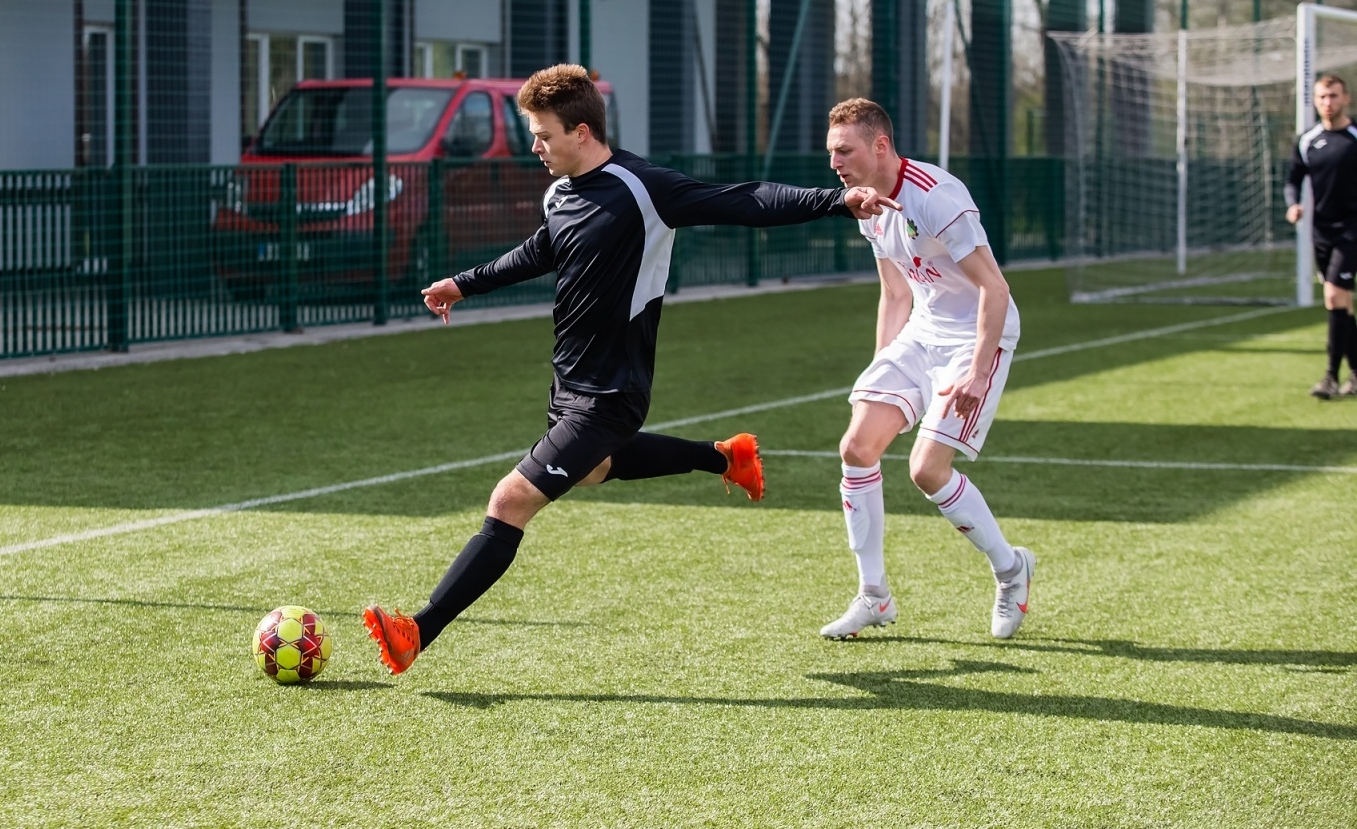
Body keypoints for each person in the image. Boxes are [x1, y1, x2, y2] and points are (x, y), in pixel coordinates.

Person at [362, 65, 901, 674]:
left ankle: (418, 631)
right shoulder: (560, 191)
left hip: (613, 391)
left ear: (582, 131)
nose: (534, 147)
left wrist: (836, 200)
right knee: (593, 470)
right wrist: (465, 283)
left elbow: (743, 200)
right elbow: (542, 249)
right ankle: (725, 457)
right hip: (569, 382)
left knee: (510, 500)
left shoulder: (641, 186)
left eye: (542, 135)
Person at [816, 97, 1035, 641]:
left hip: (977, 336)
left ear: (881, 146)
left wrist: (978, 373)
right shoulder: (867, 205)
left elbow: (996, 288)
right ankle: (875, 597)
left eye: (845, 150)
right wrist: (881, 365)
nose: (835, 163)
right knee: (856, 447)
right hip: (922, 331)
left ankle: (1012, 571)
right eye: (831, 152)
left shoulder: (937, 197)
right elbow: (894, 292)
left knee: (926, 470)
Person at [1285, 73, 1357, 399]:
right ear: (1315, 101)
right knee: (1342, 304)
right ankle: (1356, 376)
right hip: (1321, 232)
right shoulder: (1307, 141)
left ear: (1346, 99)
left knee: (1332, 295)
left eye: (1334, 96)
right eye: (1322, 97)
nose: (1328, 103)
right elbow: (1292, 179)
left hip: (1353, 230)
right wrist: (1293, 204)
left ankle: (1330, 377)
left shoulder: (1355, 137)